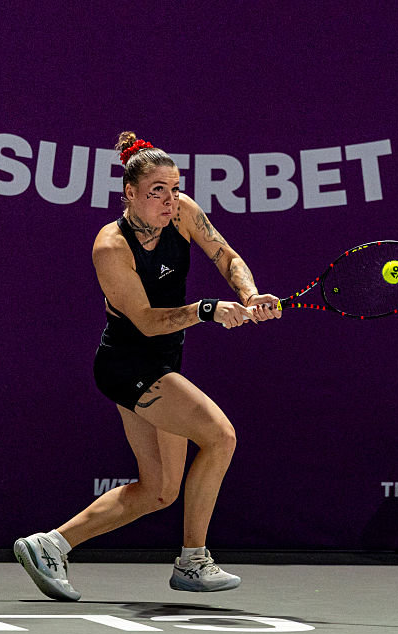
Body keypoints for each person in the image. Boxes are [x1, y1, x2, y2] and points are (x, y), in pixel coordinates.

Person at [14, 132, 280, 600]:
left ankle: (50, 544)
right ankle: (194, 560)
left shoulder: (184, 214)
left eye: (173, 187)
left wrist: (248, 293)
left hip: (161, 362)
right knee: (221, 436)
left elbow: (226, 256)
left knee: (160, 490)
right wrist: (206, 311)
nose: (168, 198)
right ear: (129, 194)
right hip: (128, 363)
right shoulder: (111, 247)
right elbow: (146, 321)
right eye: (156, 189)